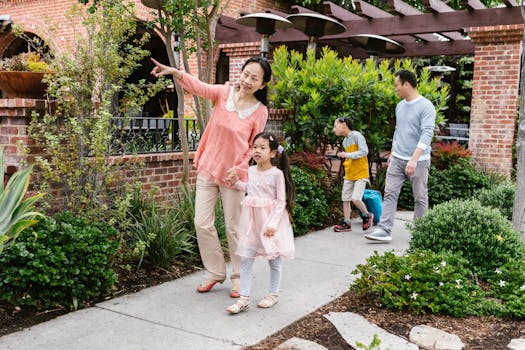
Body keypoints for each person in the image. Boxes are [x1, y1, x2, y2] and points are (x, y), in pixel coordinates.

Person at [150, 56, 272, 297]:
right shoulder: (223, 93)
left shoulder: (260, 112)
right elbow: (199, 87)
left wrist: (238, 167)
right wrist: (175, 72)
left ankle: (239, 277)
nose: (247, 80)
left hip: (233, 177)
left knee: (234, 227)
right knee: (202, 223)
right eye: (246, 74)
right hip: (208, 168)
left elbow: (254, 147)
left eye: (254, 78)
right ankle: (216, 271)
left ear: (263, 85)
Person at [224, 132, 295, 314]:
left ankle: (273, 294)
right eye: (255, 147)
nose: (257, 150)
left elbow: (281, 201)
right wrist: (236, 182)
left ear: (272, 153)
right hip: (251, 222)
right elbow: (250, 190)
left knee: (274, 259)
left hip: (270, 223)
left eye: (262, 148)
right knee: (246, 258)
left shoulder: (276, 174)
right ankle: (244, 298)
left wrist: (272, 224)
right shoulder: (251, 171)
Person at [365, 69, 436, 242]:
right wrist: (393, 152)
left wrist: (414, 159)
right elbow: (398, 131)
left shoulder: (426, 106)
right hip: (398, 159)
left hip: (419, 160)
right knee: (389, 193)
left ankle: (420, 231)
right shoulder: (400, 106)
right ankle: (384, 229)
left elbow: (426, 134)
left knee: (420, 197)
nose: (395, 89)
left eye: (397, 85)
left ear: (406, 84)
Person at [332, 117, 374, 232]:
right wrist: (345, 156)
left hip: (360, 173)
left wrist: (346, 155)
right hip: (349, 173)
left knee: (355, 199)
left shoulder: (357, 136)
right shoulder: (345, 141)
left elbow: (364, 151)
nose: (334, 129)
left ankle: (367, 215)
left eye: (336, 126)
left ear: (344, 124)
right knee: (345, 199)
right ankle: (346, 223)